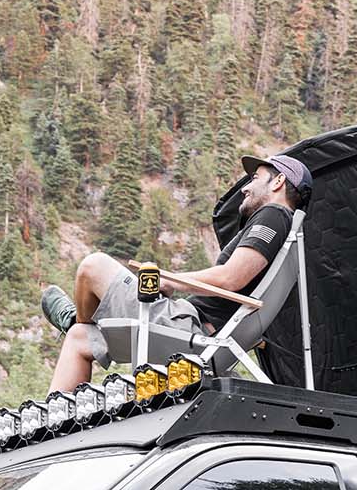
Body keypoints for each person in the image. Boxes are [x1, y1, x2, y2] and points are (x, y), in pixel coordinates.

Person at [39, 154, 314, 393]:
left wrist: (169, 280)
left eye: (255, 178)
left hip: (188, 329)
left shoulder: (274, 215)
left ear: (278, 182)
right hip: (191, 331)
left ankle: (77, 317)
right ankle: (53, 436)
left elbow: (232, 277)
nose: (246, 188)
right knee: (79, 338)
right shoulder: (286, 229)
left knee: (92, 266)